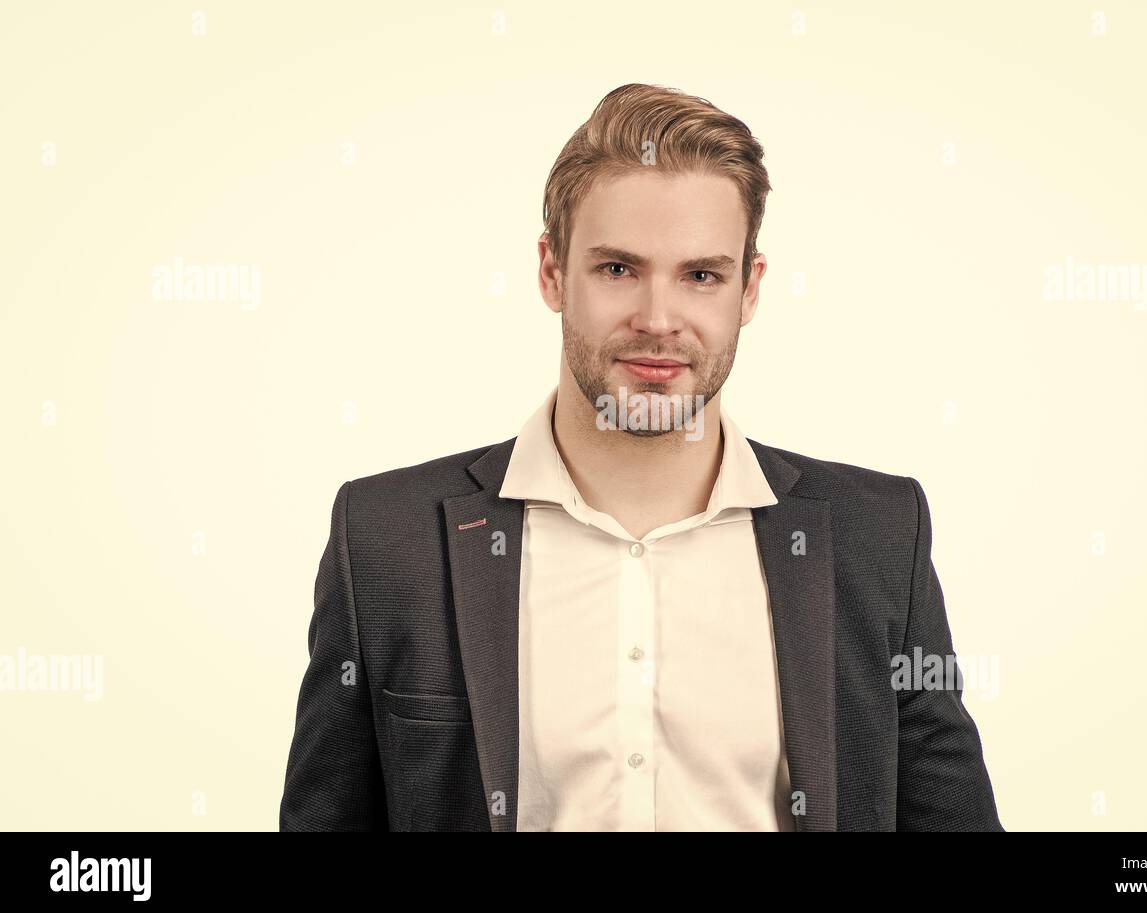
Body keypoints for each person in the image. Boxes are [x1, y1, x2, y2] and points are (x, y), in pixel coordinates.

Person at [279, 83, 1002, 831]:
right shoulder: (386, 540)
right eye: (619, 269)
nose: (658, 321)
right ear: (552, 271)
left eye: (701, 275)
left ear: (749, 289)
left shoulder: (877, 536)